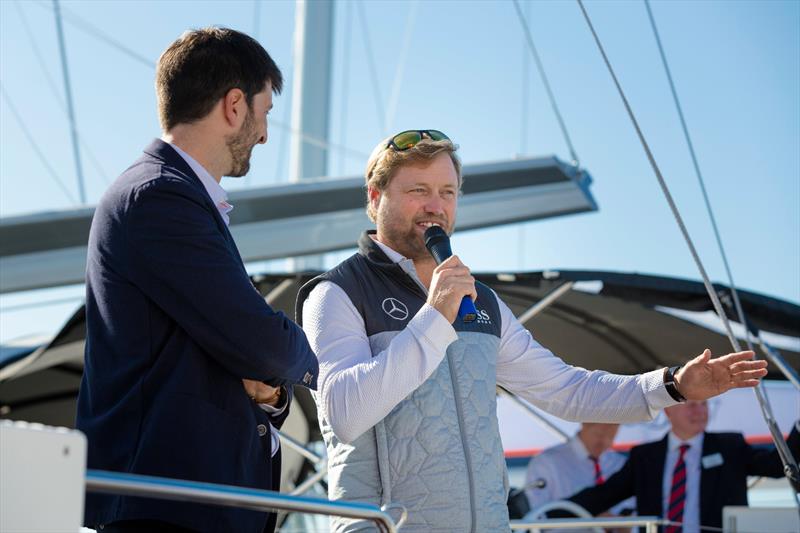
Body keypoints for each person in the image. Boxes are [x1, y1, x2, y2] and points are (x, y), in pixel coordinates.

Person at [295, 129, 768, 532]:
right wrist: (435, 317)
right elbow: (344, 412)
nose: (435, 206)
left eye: (448, 192)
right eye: (418, 190)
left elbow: (566, 390)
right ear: (375, 199)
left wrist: (671, 385)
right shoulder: (336, 293)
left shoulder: (481, 301)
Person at [76, 28, 318, 533]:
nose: (266, 134)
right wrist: (300, 354)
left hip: (185, 504)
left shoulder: (166, 196)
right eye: (265, 112)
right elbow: (261, 341)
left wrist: (272, 391)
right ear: (234, 106)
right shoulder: (158, 197)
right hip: (168, 507)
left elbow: (241, 352)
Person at [566, 401, 800, 533]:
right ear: (667, 410)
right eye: (690, 404)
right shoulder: (645, 457)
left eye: (703, 404)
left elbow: (776, 467)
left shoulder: (730, 446)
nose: (698, 410)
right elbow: (602, 496)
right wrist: (549, 513)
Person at [525, 423, 634, 517]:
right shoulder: (546, 462)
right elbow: (535, 517)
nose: (607, 426)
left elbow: (634, 510)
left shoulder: (622, 464)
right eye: (601, 416)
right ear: (584, 419)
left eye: (615, 418)